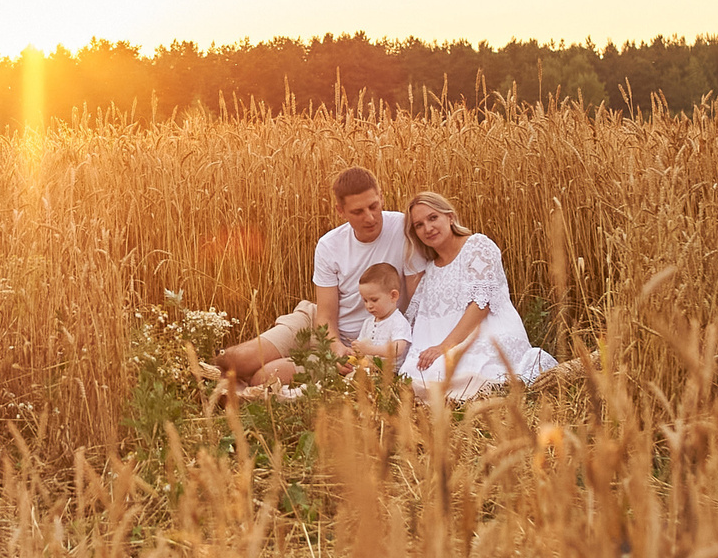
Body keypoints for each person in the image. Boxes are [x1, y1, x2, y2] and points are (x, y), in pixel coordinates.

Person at [212, 166, 430, 388]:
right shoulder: (329, 245)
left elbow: (418, 303)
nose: (370, 217)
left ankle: (234, 389)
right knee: (238, 360)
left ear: (381, 197)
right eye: (357, 212)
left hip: (358, 347)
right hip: (319, 325)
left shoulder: (403, 230)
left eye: (374, 206)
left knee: (264, 376)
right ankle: (202, 375)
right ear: (340, 211)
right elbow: (325, 314)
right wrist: (334, 347)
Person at [399, 190, 556, 401]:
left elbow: (481, 305)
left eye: (433, 217)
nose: (428, 228)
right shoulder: (431, 270)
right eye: (418, 225)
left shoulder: (477, 246)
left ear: (450, 217)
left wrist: (444, 347)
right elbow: (421, 321)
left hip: (488, 331)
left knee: (471, 370)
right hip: (448, 340)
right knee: (416, 373)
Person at [343, 262, 414, 367]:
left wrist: (370, 350)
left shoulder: (398, 321)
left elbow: (398, 349)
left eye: (374, 300)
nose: (369, 306)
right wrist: (356, 350)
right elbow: (362, 345)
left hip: (390, 373)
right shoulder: (368, 323)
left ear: (393, 296)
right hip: (369, 370)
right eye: (365, 300)